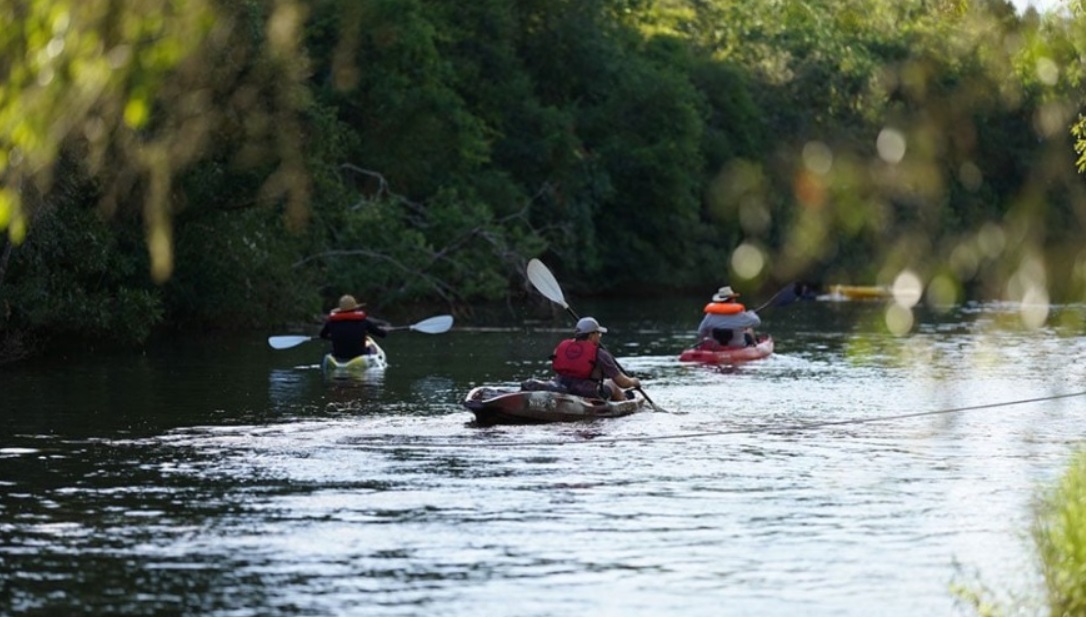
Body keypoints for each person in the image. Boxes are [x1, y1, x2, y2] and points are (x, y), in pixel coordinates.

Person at [551, 316, 641, 402]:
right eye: (599, 333)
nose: (599, 336)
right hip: (587, 392)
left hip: (561, 387)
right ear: (591, 335)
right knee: (611, 383)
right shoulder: (600, 354)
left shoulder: (561, 348)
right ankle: (625, 400)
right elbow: (622, 383)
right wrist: (634, 382)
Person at [319, 294, 388, 360]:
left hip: (339, 355)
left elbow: (322, 335)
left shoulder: (331, 322)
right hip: (359, 354)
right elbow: (382, 334)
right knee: (371, 346)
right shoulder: (363, 321)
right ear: (355, 308)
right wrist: (384, 330)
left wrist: (334, 338)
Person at [696, 285, 761, 348]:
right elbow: (757, 322)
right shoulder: (740, 315)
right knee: (749, 329)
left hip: (716, 347)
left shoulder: (710, 315)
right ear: (732, 300)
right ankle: (755, 346)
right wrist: (751, 313)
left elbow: (701, 332)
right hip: (738, 346)